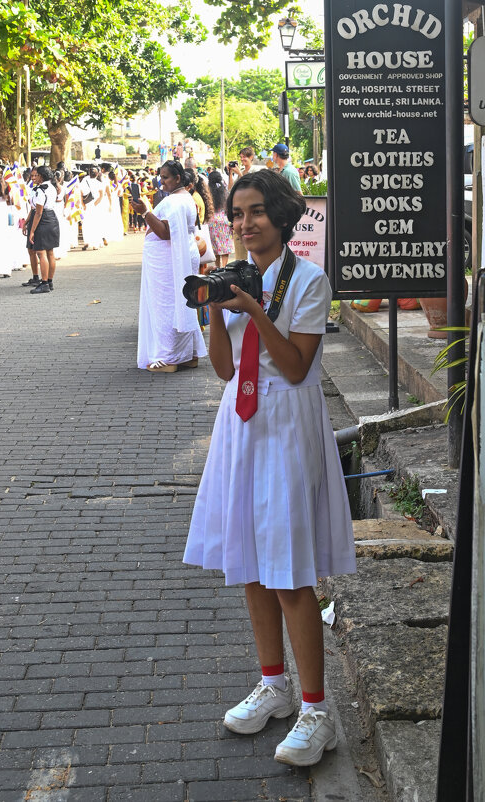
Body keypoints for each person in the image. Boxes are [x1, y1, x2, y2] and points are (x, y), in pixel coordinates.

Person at [183, 170, 356, 767]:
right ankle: (274, 686)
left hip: (286, 425)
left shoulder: (309, 280)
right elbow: (226, 371)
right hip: (241, 423)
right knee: (251, 568)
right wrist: (213, 306)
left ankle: (317, 712)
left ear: (281, 216)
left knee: (288, 572)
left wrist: (253, 308)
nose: (244, 223)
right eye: (236, 213)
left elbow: (297, 365)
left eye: (255, 211)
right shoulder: (234, 276)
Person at [132, 159, 207, 373]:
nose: (161, 182)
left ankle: (169, 358)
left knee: (165, 306)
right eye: (161, 177)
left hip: (168, 262)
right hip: (176, 258)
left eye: (165, 177)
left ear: (177, 178)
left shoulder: (174, 201)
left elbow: (166, 233)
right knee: (183, 304)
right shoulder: (184, 199)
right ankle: (187, 355)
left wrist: (145, 213)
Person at [23, 165, 60, 294]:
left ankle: (44, 283)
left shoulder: (40, 190)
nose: (34, 177)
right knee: (50, 252)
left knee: (41, 252)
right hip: (52, 218)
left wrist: (32, 230)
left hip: (43, 219)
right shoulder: (52, 187)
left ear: (41, 176)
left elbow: (38, 212)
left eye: (36, 175)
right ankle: (49, 281)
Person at [206, 171, 233, 269]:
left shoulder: (208, 191)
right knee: (225, 246)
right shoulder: (224, 190)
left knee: (216, 245)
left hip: (212, 221)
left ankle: (217, 267)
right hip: (224, 220)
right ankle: (225, 267)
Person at [80, 167, 104, 250]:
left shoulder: (84, 181)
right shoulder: (99, 183)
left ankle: (87, 242)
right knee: (95, 224)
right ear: (97, 174)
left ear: (89, 173)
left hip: (86, 206)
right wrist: (95, 204)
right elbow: (101, 196)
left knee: (86, 224)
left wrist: (83, 204)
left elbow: (80, 193)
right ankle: (95, 244)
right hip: (96, 206)